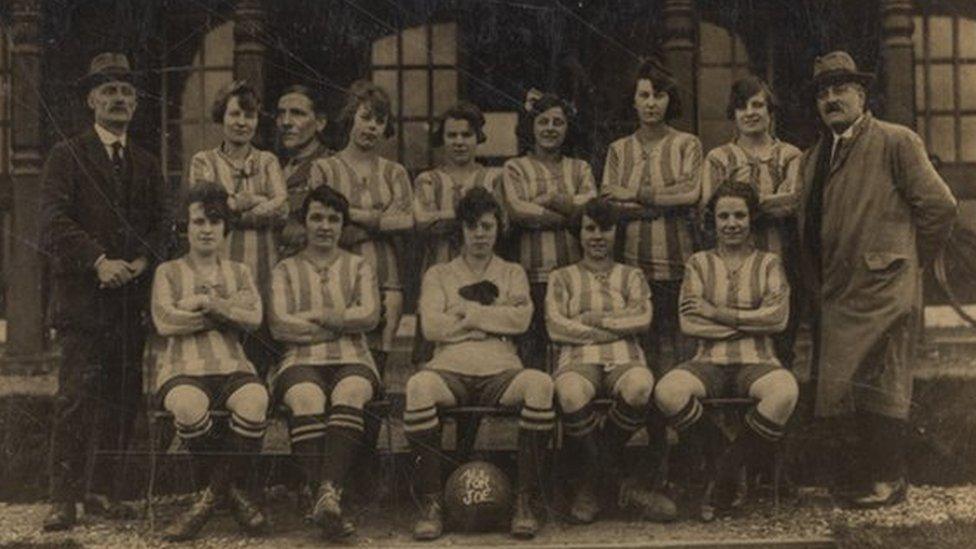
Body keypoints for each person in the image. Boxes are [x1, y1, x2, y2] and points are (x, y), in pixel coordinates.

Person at [797, 51, 957, 507]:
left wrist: (906, 260)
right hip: (838, 291)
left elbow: (940, 207)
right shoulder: (815, 157)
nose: (831, 99)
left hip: (883, 290)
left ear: (861, 95)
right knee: (848, 385)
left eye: (840, 89)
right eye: (823, 93)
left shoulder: (895, 141)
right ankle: (862, 478)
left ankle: (889, 480)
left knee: (884, 380)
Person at [41, 52, 173, 531]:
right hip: (82, 302)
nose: (119, 99)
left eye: (127, 92)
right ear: (91, 99)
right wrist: (99, 260)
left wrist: (138, 262)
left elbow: (162, 226)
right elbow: (53, 223)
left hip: (128, 301)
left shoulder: (146, 163)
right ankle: (63, 499)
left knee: (122, 399)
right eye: (109, 90)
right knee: (75, 398)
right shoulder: (66, 156)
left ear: (136, 105)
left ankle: (103, 491)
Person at [403, 187, 555, 540]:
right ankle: (431, 502)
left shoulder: (512, 272)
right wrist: (491, 319)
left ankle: (523, 499)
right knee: (417, 387)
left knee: (541, 385)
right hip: (450, 368)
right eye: (472, 227)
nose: (480, 234)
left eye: (487, 226)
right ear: (462, 230)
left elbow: (521, 321)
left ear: (498, 228)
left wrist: (468, 314)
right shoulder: (439, 274)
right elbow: (432, 327)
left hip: (500, 369)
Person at [654, 180, 798, 516]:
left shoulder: (769, 263)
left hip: (758, 360)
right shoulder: (698, 264)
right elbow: (689, 324)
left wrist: (717, 313)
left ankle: (723, 474)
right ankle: (729, 463)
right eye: (723, 216)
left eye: (739, 215)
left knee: (785, 393)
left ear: (751, 219)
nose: (731, 223)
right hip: (708, 360)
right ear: (713, 221)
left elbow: (777, 320)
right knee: (667, 391)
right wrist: (749, 321)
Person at [600, 58, 701, 500]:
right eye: (643, 95)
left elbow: (691, 196)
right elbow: (609, 205)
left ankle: (674, 466)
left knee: (674, 365)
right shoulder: (619, 150)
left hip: (677, 267)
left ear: (669, 99)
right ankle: (642, 462)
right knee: (640, 366)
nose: (651, 104)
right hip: (632, 271)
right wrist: (662, 202)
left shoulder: (688, 145)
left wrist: (638, 197)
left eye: (658, 95)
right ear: (634, 100)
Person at [151, 183, 269, 541]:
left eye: (215, 222)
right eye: (198, 221)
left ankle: (204, 504)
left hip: (232, 365)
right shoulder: (168, 272)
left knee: (256, 400)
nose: (206, 229)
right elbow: (165, 322)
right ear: (185, 226)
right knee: (187, 406)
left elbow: (254, 319)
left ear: (225, 228)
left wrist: (205, 304)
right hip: (182, 368)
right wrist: (224, 312)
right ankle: (231, 496)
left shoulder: (240, 272)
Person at [547, 198, 676, 524]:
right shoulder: (562, 277)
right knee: (570, 393)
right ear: (579, 233)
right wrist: (614, 324)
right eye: (590, 228)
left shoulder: (631, 276)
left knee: (640, 387)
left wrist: (593, 319)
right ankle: (616, 482)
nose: (597, 236)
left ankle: (592, 481)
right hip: (579, 357)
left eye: (605, 228)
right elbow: (555, 325)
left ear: (615, 232)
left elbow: (643, 319)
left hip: (625, 357)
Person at [268, 185, 381, 539]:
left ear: (343, 225)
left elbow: (370, 317)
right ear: (305, 221)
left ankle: (325, 493)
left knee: (351, 391)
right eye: (317, 217)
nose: (325, 226)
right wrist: (337, 325)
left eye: (334, 219)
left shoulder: (359, 265)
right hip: (299, 359)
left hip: (354, 357)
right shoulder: (285, 269)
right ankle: (328, 498)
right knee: (306, 397)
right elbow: (280, 325)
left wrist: (316, 316)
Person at [308, 79, 414, 374]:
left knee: (378, 356)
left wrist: (348, 213)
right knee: (338, 350)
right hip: (335, 271)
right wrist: (380, 220)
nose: (372, 127)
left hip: (385, 273)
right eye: (365, 118)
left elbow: (406, 221)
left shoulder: (395, 172)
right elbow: (322, 224)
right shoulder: (324, 169)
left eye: (379, 121)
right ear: (350, 116)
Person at [701, 75, 802, 367]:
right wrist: (769, 201)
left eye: (758, 105)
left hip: (781, 257)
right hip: (733, 262)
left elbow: (793, 202)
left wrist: (738, 202)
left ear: (771, 112)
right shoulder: (719, 158)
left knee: (781, 335)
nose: (750, 113)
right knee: (735, 333)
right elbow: (711, 207)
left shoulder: (790, 155)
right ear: (733, 115)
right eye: (741, 107)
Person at [188, 81, 287, 373]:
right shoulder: (203, 161)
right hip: (220, 263)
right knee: (222, 339)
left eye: (249, 116)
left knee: (259, 340)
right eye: (235, 114)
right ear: (222, 116)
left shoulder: (268, 161)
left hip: (263, 264)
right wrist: (257, 201)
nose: (242, 122)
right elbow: (206, 208)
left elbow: (282, 209)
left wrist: (234, 206)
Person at [503, 91, 597, 370]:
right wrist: (568, 215)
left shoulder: (580, 168)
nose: (550, 129)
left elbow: (590, 207)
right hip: (529, 272)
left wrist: (549, 200)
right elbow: (518, 211)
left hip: (572, 272)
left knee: (569, 343)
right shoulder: (515, 167)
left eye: (558, 122)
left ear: (568, 128)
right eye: (543, 122)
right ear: (531, 126)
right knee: (532, 344)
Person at [412, 101, 501, 365]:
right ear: (442, 138)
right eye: (452, 135)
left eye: (466, 134)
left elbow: (502, 222)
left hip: (484, 274)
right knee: (433, 349)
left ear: (478, 138)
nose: (459, 141)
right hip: (438, 269)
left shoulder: (494, 178)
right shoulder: (428, 180)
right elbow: (423, 222)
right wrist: (474, 216)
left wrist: (444, 217)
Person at [276, 84, 334, 258]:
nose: (286, 122)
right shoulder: (273, 167)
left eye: (297, 113)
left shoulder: (333, 166)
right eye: (281, 114)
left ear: (320, 122)